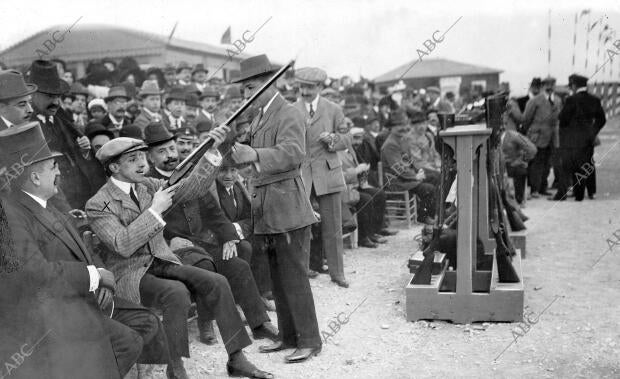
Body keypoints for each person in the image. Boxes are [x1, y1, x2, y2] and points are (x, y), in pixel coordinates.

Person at [85, 132, 273, 379]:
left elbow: (191, 189)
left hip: (162, 260)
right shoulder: (98, 203)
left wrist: (210, 153)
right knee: (176, 293)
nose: (142, 163)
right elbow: (122, 245)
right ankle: (175, 367)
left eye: (142, 156)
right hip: (130, 271)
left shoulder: (149, 186)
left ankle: (236, 358)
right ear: (114, 167)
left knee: (217, 280)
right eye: (132, 159)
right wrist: (155, 210)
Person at [0, 123, 156, 379]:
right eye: (53, 167)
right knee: (125, 342)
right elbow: (33, 272)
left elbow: (83, 250)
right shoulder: (10, 214)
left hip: (74, 299)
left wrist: (99, 273)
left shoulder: (45, 204)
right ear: (35, 177)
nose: (59, 172)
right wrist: (93, 277)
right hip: (43, 319)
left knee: (144, 324)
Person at [143, 121, 278, 347]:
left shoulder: (191, 175)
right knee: (204, 267)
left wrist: (228, 237)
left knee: (238, 264)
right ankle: (206, 321)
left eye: (171, 149)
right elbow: (145, 224)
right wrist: (167, 241)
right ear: (150, 158)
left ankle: (259, 324)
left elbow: (214, 212)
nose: (169, 155)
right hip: (168, 252)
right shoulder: (146, 185)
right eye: (161, 151)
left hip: (197, 245)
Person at [231, 54, 322, 363]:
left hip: (288, 207)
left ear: (270, 83)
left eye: (251, 88)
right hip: (268, 208)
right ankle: (287, 336)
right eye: (244, 90)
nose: (246, 96)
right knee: (277, 278)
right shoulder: (261, 114)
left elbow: (294, 154)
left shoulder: (289, 113)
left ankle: (310, 340)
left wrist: (253, 153)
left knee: (294, 277)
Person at [293, 67, 350, 288]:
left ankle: (338, 273)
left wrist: (334, 138)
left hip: (328, 171)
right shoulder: (291, 109)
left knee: (333, 226)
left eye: (309, 87)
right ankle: (301, 272)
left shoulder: (334, 109)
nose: (304, 91)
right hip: (302, 173)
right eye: (301, 87)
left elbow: (347, 139)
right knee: (301, 225)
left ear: (319, 87)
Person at [28, 60, 97, 210]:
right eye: (49, 97)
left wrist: (84, 151)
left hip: (78, 193)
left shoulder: (64, 122)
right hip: (50, 198)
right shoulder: (26, 127)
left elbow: (85, 164)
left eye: (58, 97)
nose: (56, 103)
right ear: (33, 95)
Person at [552, 74, 606, 202]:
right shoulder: (595, 100)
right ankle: (586, 193)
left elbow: (563, 118)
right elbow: (602, 119)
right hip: (588, 140)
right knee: (587, 164)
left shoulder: (571, 100)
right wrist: (592, 132)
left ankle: (572, 194)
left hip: (572, 140)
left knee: (569, 165)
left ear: (574, 85)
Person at [380, 108, 437, 224]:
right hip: (395, 181)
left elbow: (408, 160)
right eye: (399, 125)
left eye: (404, 124)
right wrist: (415, 177)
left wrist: (418, 171)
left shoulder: (402, 139)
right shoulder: (390, 145)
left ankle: (435, 212)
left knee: (436, 177)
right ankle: (423, 216)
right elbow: (397, 168)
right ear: (391, 128)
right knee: (428, 189)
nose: (403, 128)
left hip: (406, 177)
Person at [340, 126, 388, 248]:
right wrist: (356, 170)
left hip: (355, 186)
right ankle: (363, 237)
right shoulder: (336, 153)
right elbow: (339, 176)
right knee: (366, 199)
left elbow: (363, 167)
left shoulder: (351, 150)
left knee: (379, 193)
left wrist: (363, 179)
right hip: (343, 190)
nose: (358, 143)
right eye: (354, 139)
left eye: (359, 139)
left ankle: (375, 231)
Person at [515, 77, 558, 198]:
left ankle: (543, 187)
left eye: (552, 84)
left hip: (551, 138)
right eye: (547, 85)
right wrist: (531, 132)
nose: (550, 87)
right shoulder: (534, 101)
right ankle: (535, 189)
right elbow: (526, 119)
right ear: (543, 86)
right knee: (536, 164)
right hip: (537, 137)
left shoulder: (557, 100)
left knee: (547, 164)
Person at [501, 126, 538, 204]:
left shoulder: (513, 136)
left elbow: (532, 149)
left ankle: (518, 200)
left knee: (519, 169)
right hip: (501, 165)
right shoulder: (491, 138)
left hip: (513, 164)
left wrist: (522, 159)